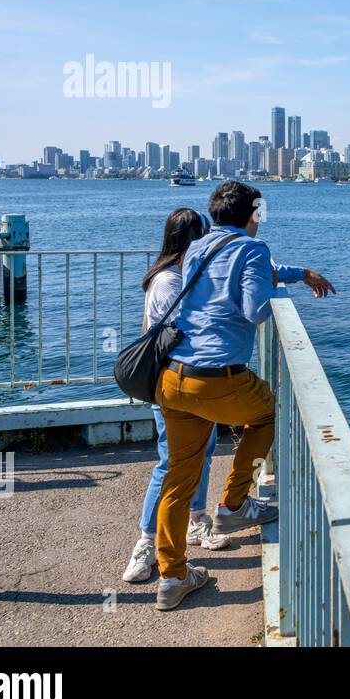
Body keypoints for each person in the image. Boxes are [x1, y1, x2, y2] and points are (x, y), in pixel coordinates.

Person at [153, 181, 335, 611]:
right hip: (218, 378)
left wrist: (298, 272)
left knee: (179, 479)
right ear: (254, 212)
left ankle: (172, 577)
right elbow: (255, 306)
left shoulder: (198, 247)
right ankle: (234, 504)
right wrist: (271, 289)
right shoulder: (253, 249)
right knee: (269, 412)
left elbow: (238, 272)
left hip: (174, 378)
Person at [122, 208, 229, 584]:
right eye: (202, 237)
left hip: (192, 381)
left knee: (203, 453)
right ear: (191, 240)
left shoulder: (181, 275)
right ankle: (146, 544)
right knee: (170, 463)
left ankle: (196, 521)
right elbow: (188, 328)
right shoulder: (169, 281)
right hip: (173, 385)